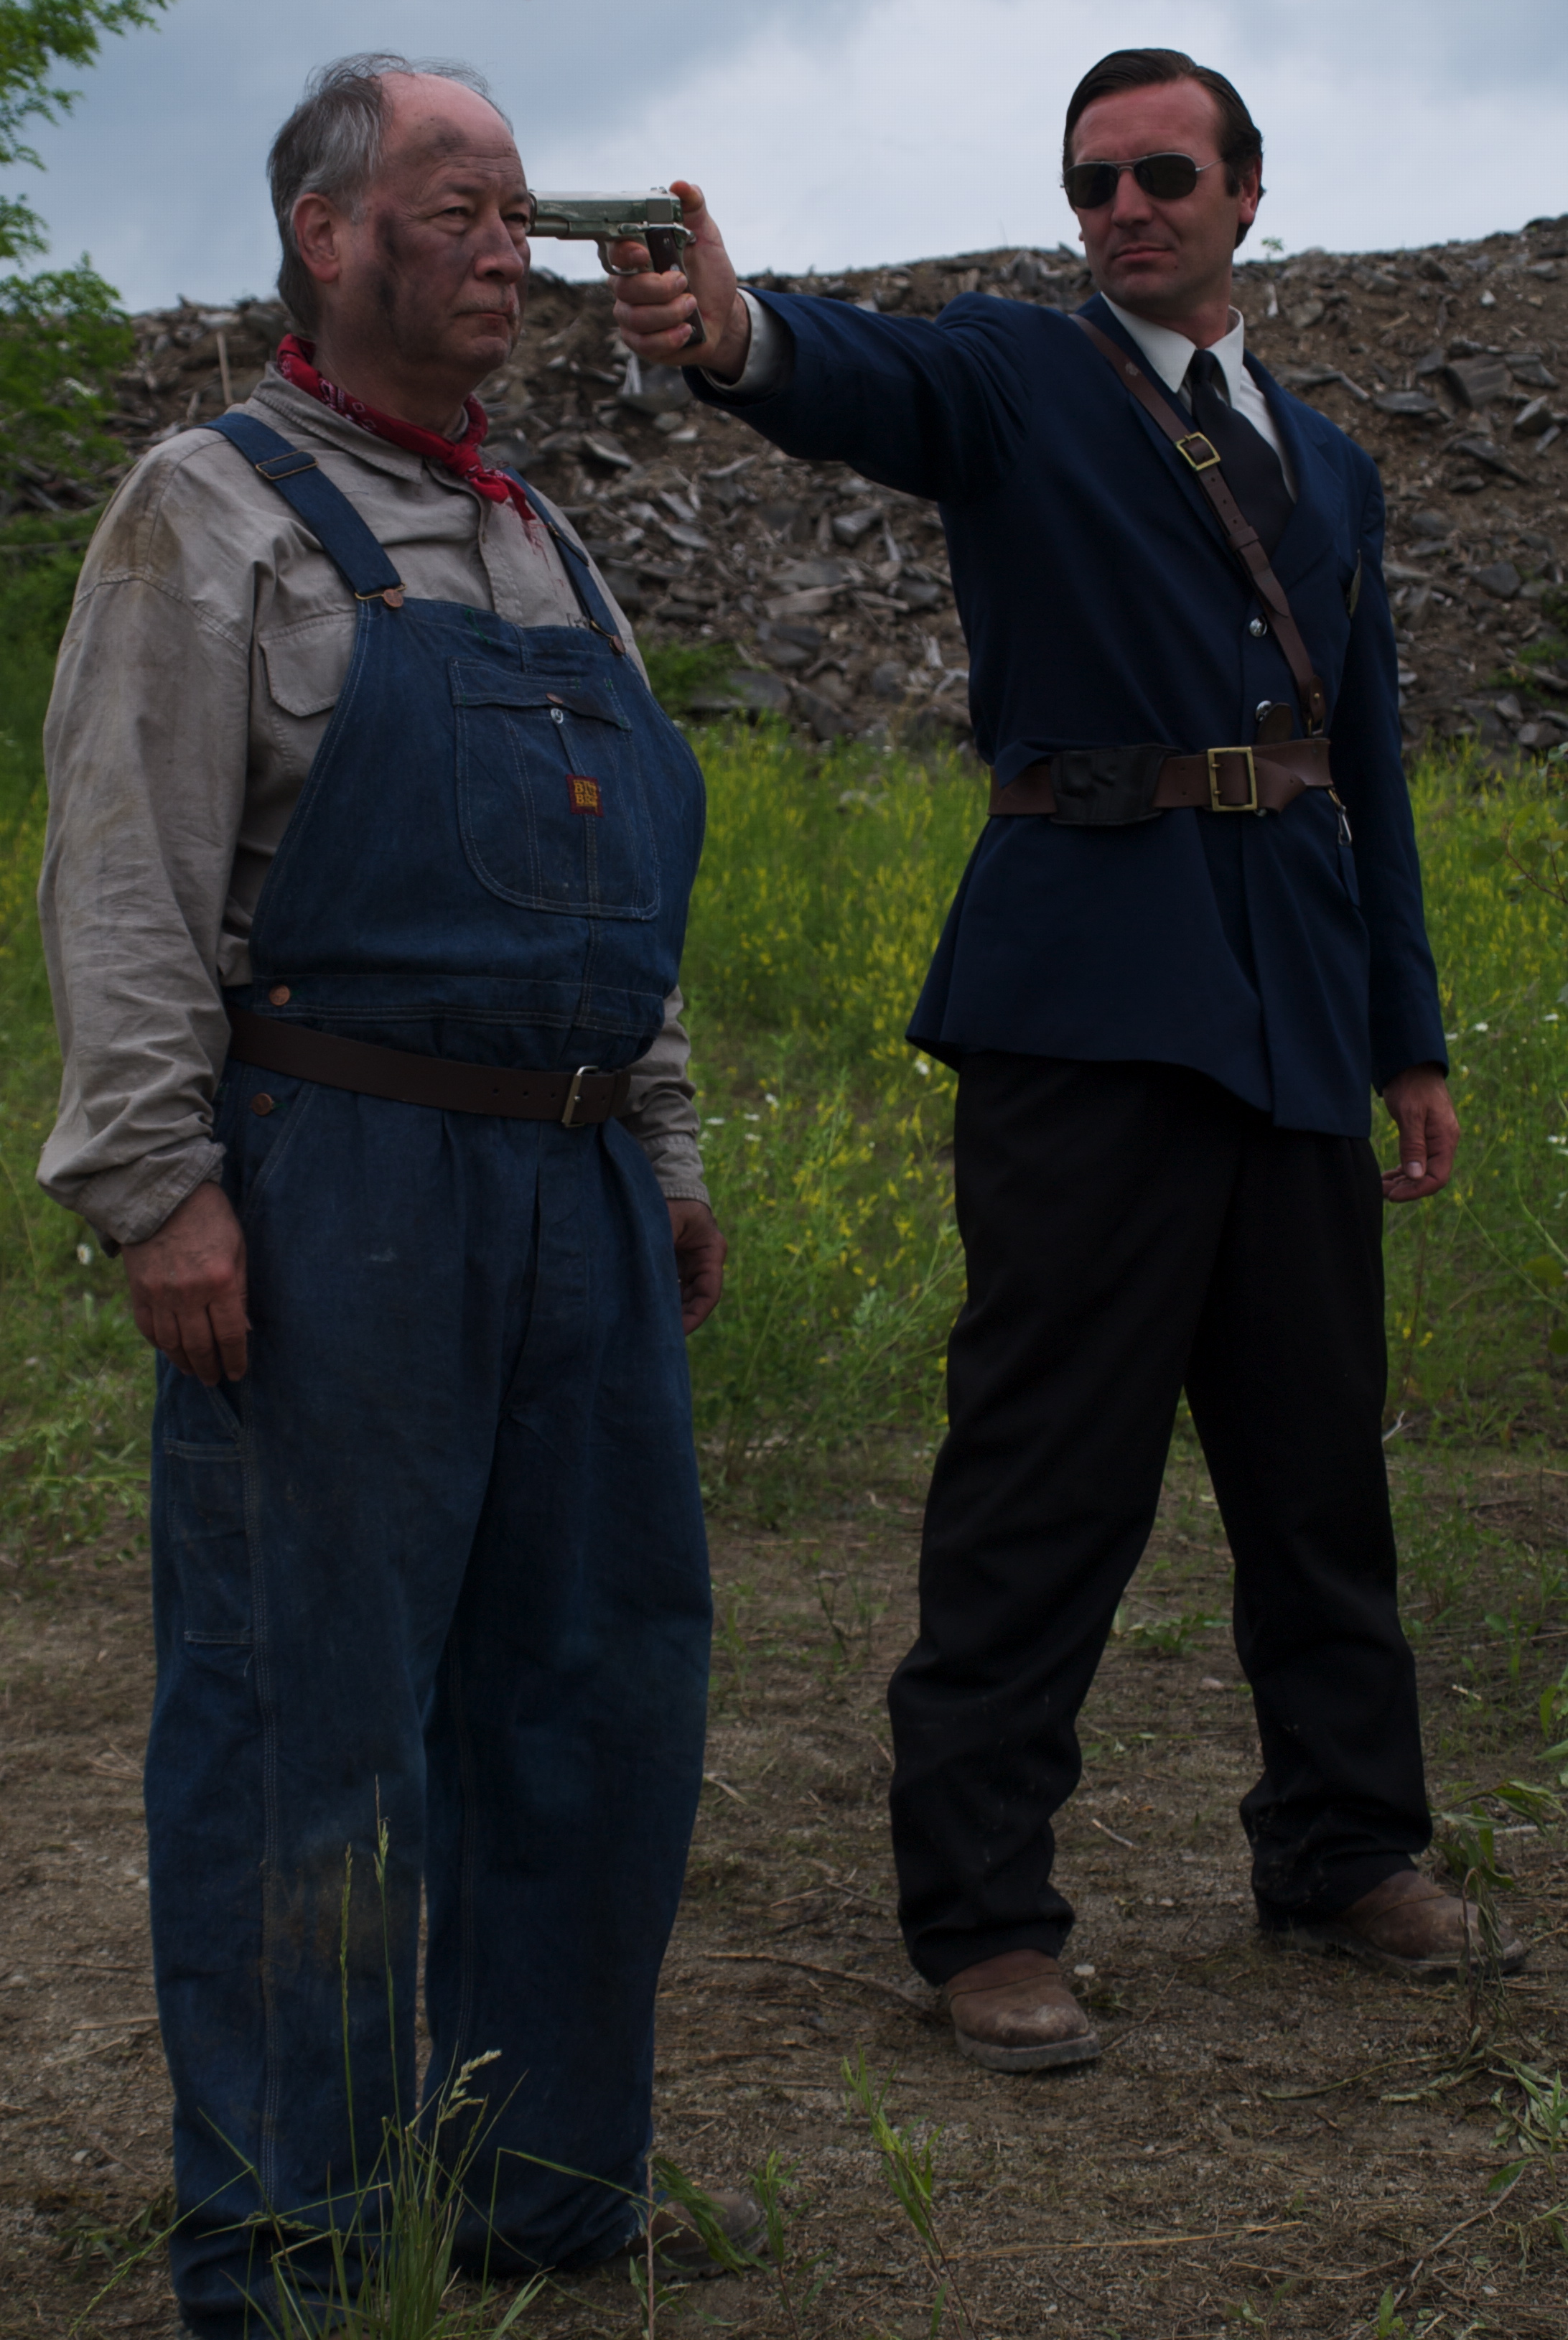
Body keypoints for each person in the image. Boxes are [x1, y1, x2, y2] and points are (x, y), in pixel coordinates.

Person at [612, 44, 1526, 2075]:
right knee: (1045, 1477)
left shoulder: (1341, 469)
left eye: (1164, 174)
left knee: (1316, 1474)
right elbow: (855, 375)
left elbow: (1362, 771)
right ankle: (984, 1910)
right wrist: (735, 326)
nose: (1126, 206)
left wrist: (1408, 1042)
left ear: (1246, 195)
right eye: (1094, 178)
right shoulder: (1021, 378)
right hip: (1084, 1003)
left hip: (1289, 1008)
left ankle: (1346, 1842)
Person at [38, 53, 756, 2334]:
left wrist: (662, 1146)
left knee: (596, 1694)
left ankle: (545, 2189)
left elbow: (614, 896)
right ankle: (296, 2243)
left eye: (515, 207)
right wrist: (161, 1187)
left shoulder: (540, 531)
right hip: (332, 1185)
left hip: (569, 1203)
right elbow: (126, 872)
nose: (500, 241)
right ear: (321, 235)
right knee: (302, 1722)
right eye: (452, 199)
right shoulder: (205, 507)